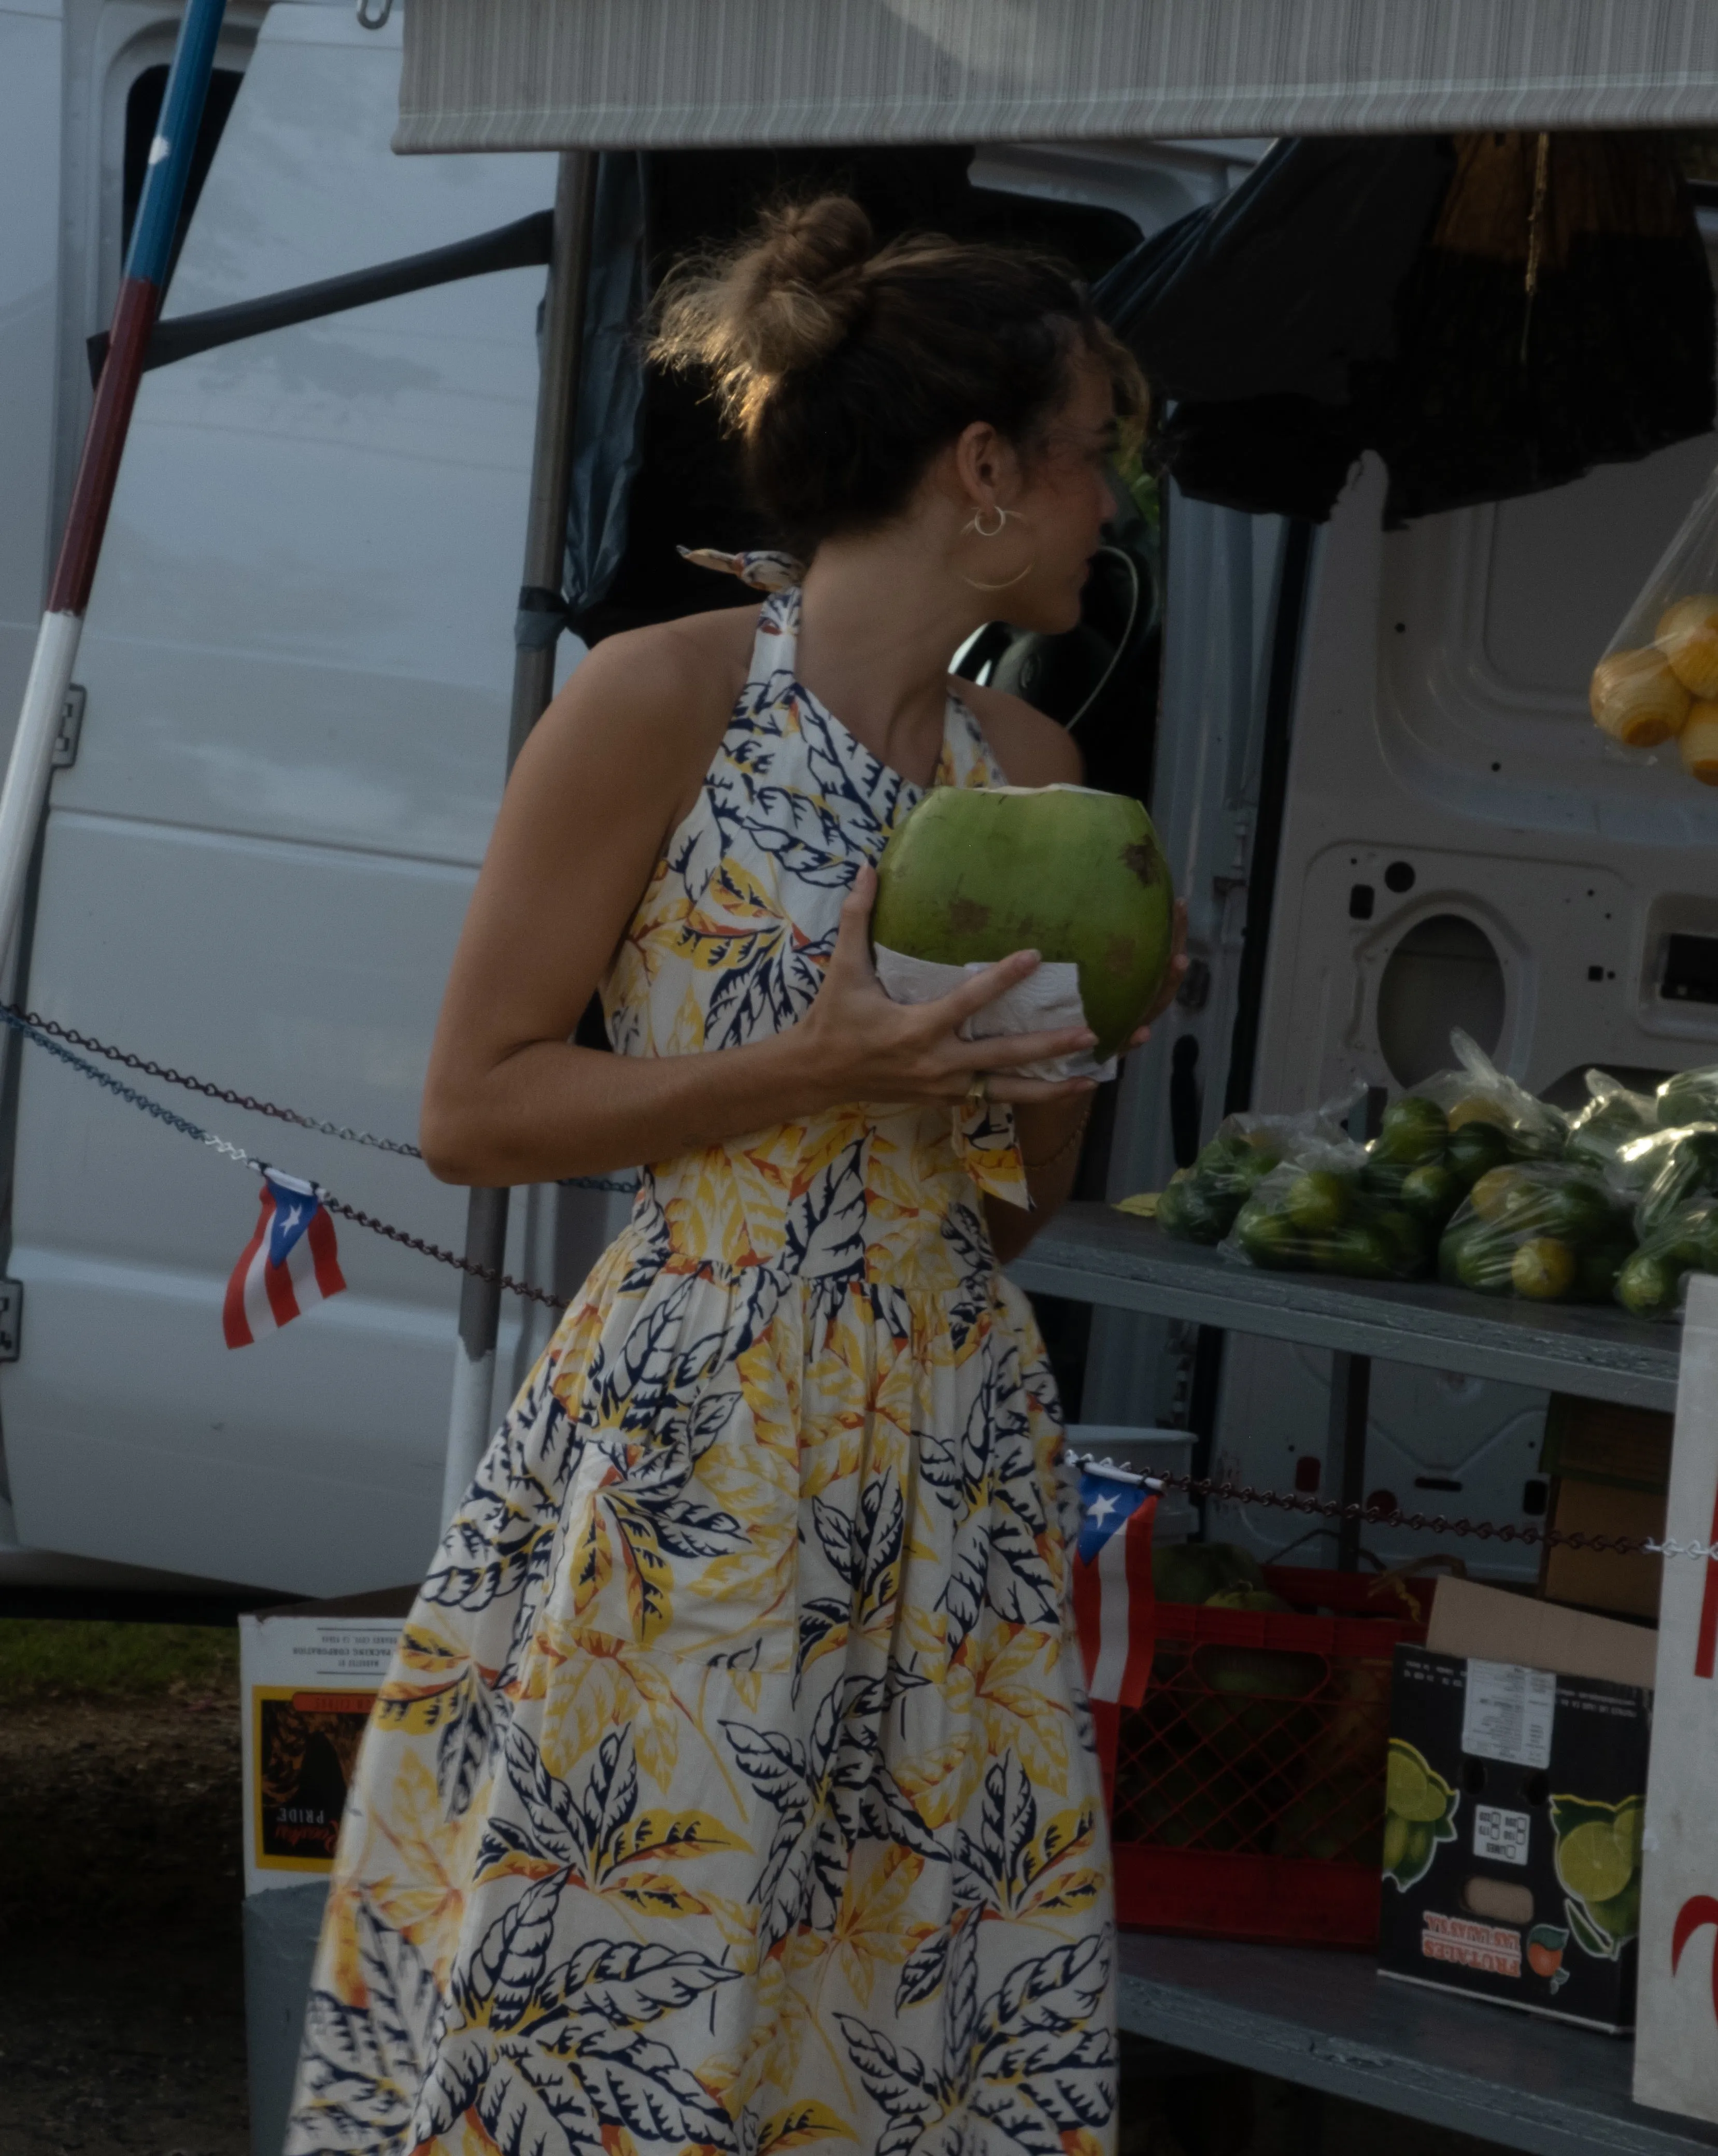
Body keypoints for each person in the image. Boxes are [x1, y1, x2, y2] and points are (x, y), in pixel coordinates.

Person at [286, 193, 1180, 2156]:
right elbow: (475, 1109)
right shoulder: (658, 696)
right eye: (1094, 451)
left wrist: (1075, 1038)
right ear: (981, 469)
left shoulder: (1037, 778)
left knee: (905, 2004)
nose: (1111, 503)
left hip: (948, 1447)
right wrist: (811, 1062)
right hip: (700, 1426)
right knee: (632, 1965)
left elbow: (1015, 1206)